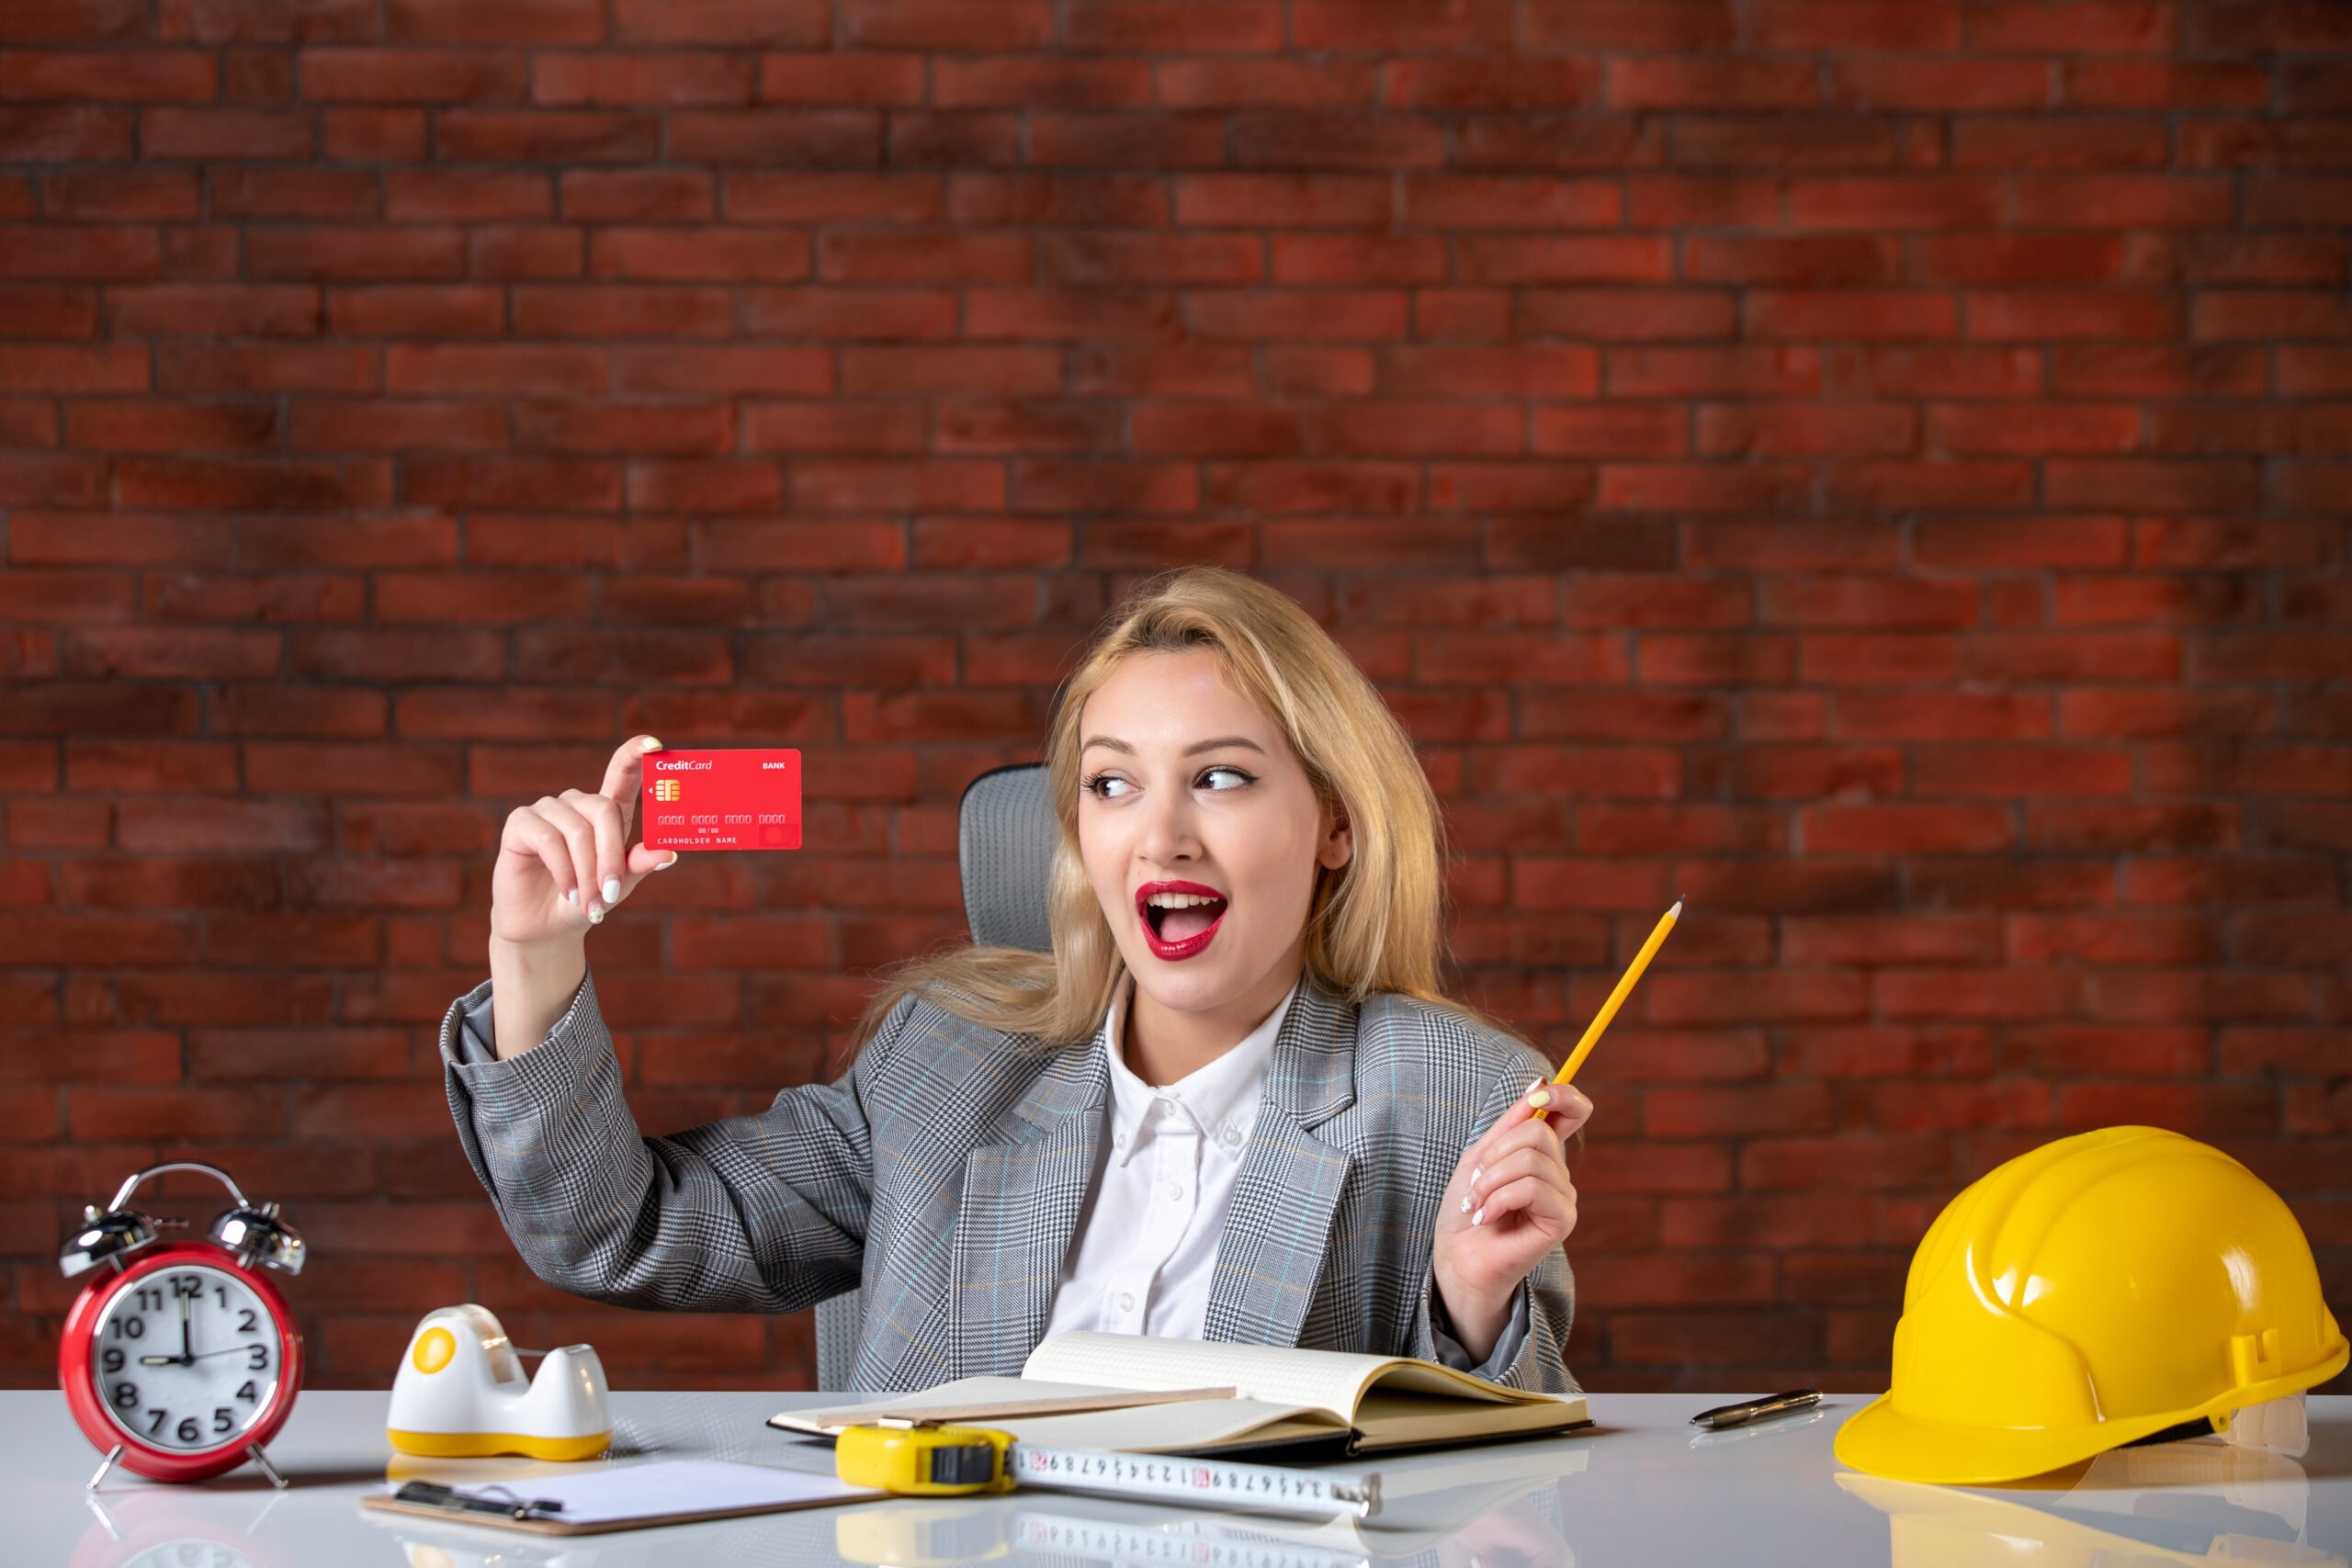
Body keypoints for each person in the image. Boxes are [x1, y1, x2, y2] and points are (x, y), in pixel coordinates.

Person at [439, 567, 1590, 1393]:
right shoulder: (945, 1063)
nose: (1161, 839)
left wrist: (1468, 1301)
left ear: (1333, 824)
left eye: (1223, 779)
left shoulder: (1449, 1093)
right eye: (1112, 785)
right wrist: (535, 959)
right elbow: (619, 1230)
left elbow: (1508, 1494)